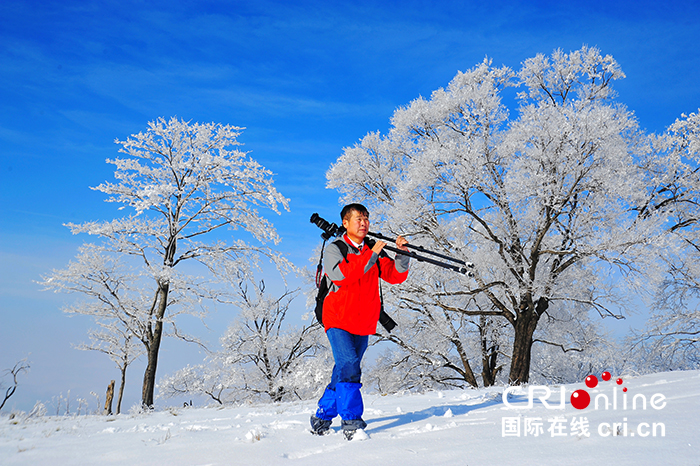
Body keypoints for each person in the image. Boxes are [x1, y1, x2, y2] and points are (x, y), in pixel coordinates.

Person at [310, 203, 410, 440]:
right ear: (345, 223)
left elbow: (394, 276)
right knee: (350, 366)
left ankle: (322, 417)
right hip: (337, 319)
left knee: (343, 369)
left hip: (363, 320)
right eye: (358, 219)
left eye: (366, 219)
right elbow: (343, 275)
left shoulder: (372, 251)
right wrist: (372, 253)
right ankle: (352, 422)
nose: (364, 223)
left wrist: (402, 254)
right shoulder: (336, 248)